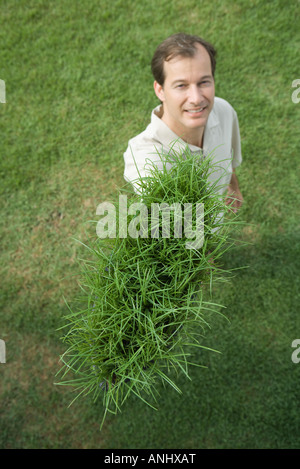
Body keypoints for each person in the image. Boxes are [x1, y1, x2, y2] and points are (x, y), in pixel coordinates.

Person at [123, 32, 243, 213]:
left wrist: (233, 187)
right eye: (181, 85)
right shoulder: (144, 156)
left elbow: (229, 159)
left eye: (204, 82)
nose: (196, 99)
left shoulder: (223, 111)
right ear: (160, 90)